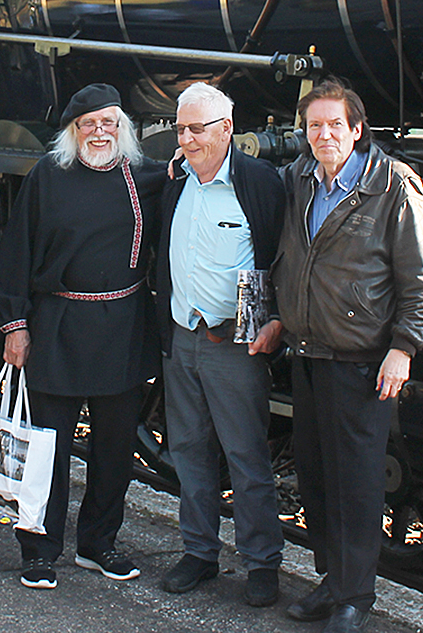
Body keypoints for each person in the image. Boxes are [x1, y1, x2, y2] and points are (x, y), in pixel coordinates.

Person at [274, 77, 423, 633]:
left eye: (334, 125)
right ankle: (331, 581)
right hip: (307, 351)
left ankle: (355, 596)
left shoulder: (394, 185)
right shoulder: (299, 178)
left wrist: (403, 347)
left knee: (357, 481)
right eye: (314, 125)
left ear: (356, 129)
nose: (324, 134)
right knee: (317, 474)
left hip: (362, 358)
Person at [0, 83, 166, 591]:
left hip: (122, 326)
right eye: (89, 123)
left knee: (114, 449)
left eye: (109, 122)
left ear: (123, 128)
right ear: (72, 131)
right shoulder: (49, 176)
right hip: (58, 326)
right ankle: (40, 549)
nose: (100, 131)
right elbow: (16, 249)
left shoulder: (142, 176)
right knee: (49, 448)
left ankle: (98, 544)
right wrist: (14, 324)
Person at [156, 83, 286, 607]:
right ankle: (200, 553)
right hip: (181, 338)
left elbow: (281, 255)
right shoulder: (174, 181)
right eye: (180, 129)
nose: (187, 139)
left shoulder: (258, 183)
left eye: (197, 129)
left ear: (227, 129)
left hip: (236, 342)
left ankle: (261, 564)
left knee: (246, 453)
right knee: (188, 451)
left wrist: (276, 321)